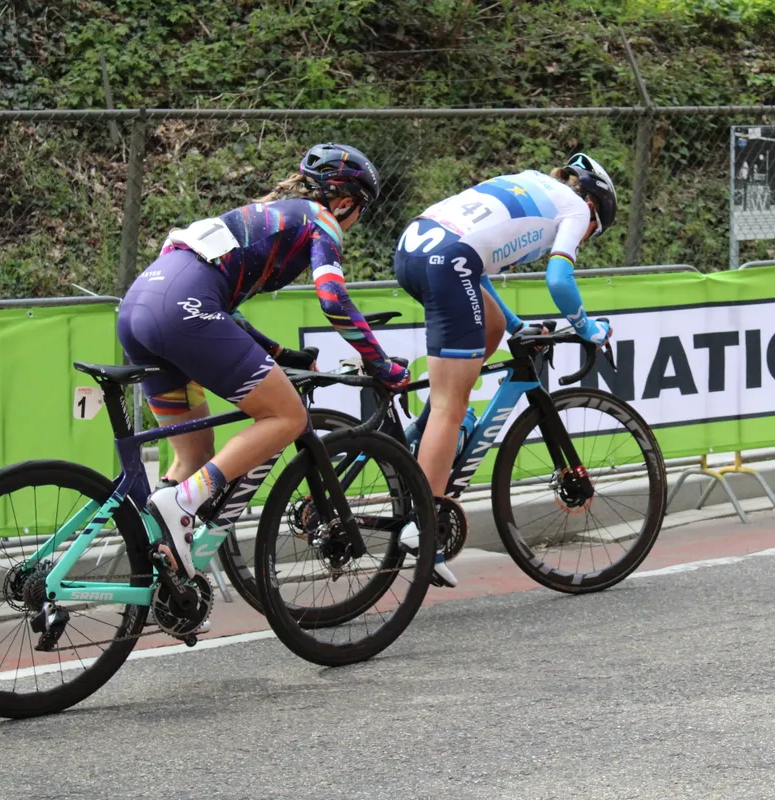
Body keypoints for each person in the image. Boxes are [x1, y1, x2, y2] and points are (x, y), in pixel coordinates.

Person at [117, 143, 409, 580]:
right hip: (182, 311)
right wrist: (382, 364)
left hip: (139, 308)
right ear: (346, 201)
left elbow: (224, 311)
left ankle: (158, 568)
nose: (354, 220)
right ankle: (181, 503)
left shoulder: (267, 215)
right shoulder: (321, 219)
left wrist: (281, 354)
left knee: (193, 455)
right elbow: (332, 298)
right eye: (360, 211)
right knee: (287, 416)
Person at [393, 153, 617, 588]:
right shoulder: (576, 209)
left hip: (415, 247)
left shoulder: (532, 180)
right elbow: (559, 280)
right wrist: (588, 329)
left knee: (491, 326)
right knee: (450, 406)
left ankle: (425, 436)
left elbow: (478, 259)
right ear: (594, 208)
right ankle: (424, 530)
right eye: (594, 232)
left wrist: (516, 326)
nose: (585, 238)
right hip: (449, 262)